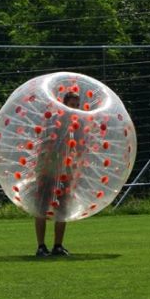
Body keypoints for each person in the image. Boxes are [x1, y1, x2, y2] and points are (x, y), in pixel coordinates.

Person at [33, 88, 85, 259]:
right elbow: (44, 143)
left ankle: (58, 246)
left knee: (62, 209)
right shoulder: (53, 121)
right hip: (48, 169)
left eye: (77, 105)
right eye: (72, 105)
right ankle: (41, 246)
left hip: (66, 170)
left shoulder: (78, 125)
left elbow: (80, 147)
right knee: (41, 208)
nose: (75, 108)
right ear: (64, 105)